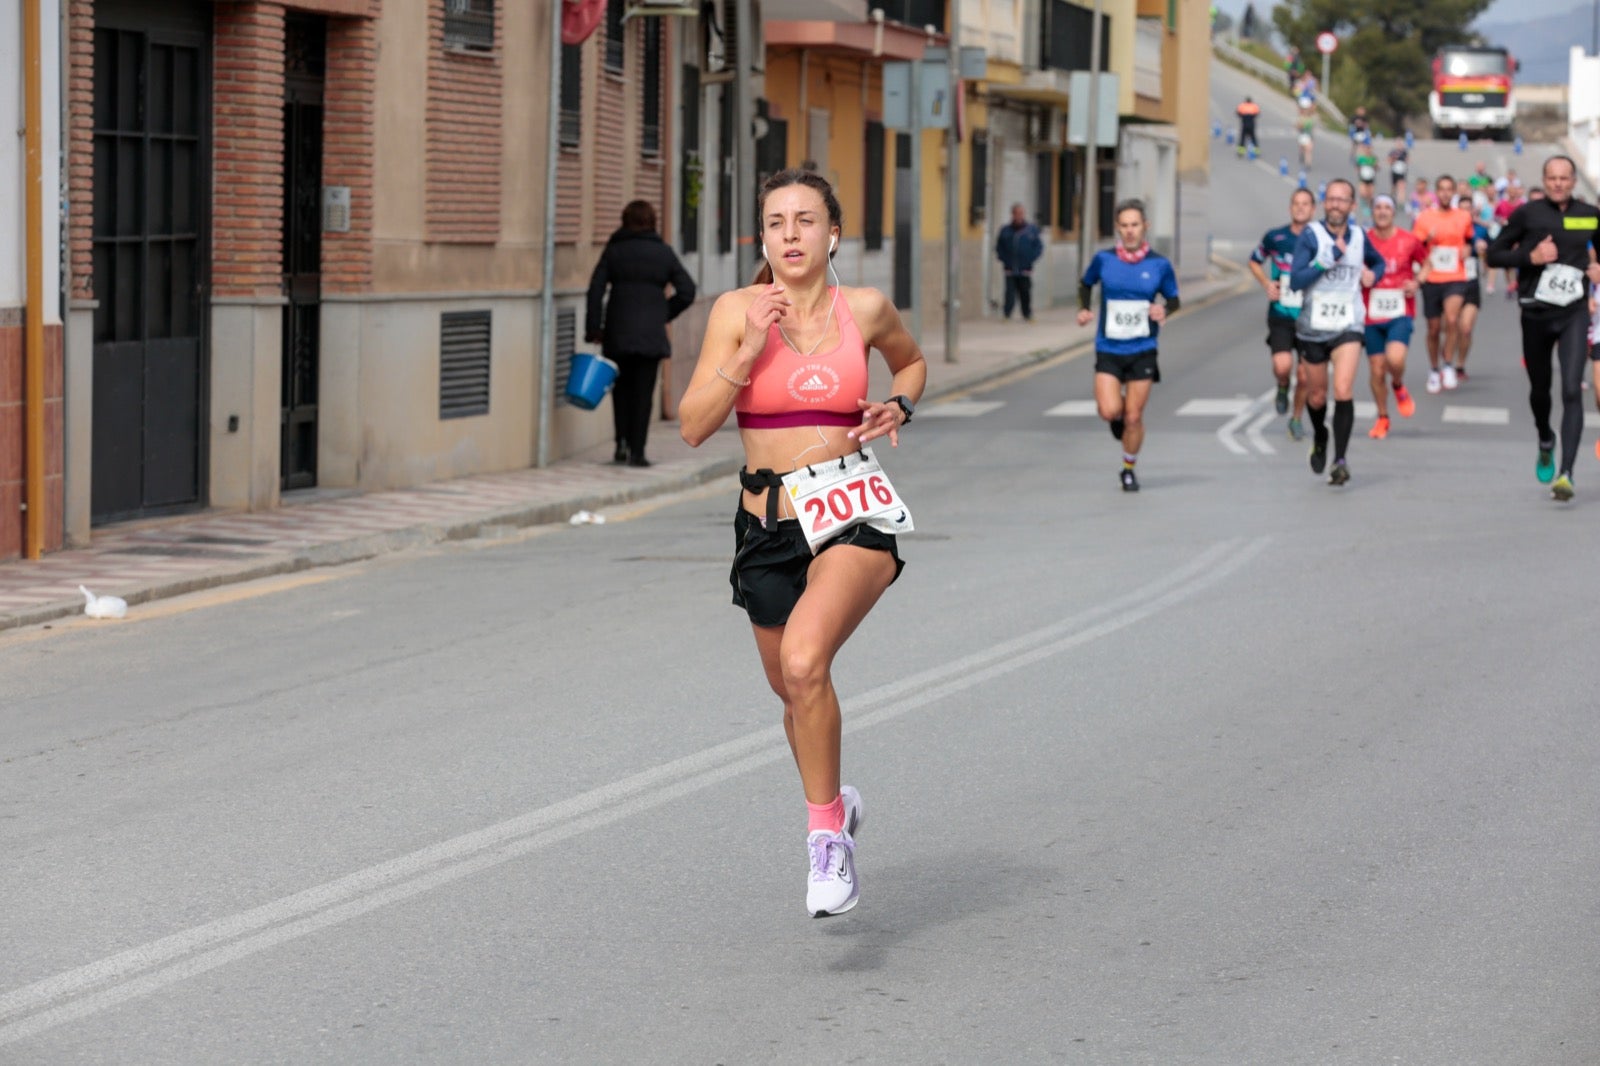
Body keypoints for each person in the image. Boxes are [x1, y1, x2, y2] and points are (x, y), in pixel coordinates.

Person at [678, 167, 926, 915]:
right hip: (766, 523)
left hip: (851, 511)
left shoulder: (866, 308)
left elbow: (911, 361)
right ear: (763, 238)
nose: (790, 234)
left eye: (805, 220)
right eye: (776, 222)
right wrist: (747, 350)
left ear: (833, 234)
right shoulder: (735, 312)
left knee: (804, 660)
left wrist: (899, 405)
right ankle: (836, 805)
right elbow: (692, 426)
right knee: (793, 691)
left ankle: (825, 841)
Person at [1486, 154, 1600, 501]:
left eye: (1564, 178)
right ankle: (1545, 438)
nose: (1558, 184)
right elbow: (1493, 254)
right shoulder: (1527, 214)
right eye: (1552, 178)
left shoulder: (1589, 215)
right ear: (1544, 179)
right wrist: (1530, 258)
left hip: (1573, 312)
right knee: (1540, 390)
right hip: (1536, 313)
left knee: (1571, 389)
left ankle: (1566, 474)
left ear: (1574, 181)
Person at [1076, 199, 1180, 492]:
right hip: (1109, 347)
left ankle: (1128, 468)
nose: (1130, 230)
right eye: (1124, 225)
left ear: (1145, 226)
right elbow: (1086, 284)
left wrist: (1163, 310)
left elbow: (1174, 299)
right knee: (1109, 411)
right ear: (1118, 228)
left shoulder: (1159, 264)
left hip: (1143, 348)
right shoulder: (1104, 260)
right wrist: (1084, 309)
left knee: (1134, 416)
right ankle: (1117, 417)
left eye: (1135, 225)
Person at [1287, 178, 1386, 485]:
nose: (1335, 205)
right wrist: (1325, 260)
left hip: (1348, 324)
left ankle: (1340, 460)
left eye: (1342, 200)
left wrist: (1373, 275)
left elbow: (1378, 262)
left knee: (1343, 390)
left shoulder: (1359, 236)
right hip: (1313, 327)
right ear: (1324, 203)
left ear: (1352, 206)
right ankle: (1320, 435)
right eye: (1331, 199)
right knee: (1317, 397)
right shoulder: (1311, 235)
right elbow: (1296, 280)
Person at [585, 200, 697, 466]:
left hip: (617, 332)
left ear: (625, 221)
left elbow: (595, 289)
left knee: (620, 390)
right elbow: (687, 290)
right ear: (652, 222)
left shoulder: (614, 250)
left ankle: (621, 444)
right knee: (643, 394)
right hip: (650, 335)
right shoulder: (663, 253)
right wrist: (663, 313)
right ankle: (638, 451)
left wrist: (594, 328)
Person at [1248, 187, 1316, 435]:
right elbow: (1254, 260)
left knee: (1305, 376)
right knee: (1282, 366)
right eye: (1296, 203)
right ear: (1290, 208)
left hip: (1310, 316)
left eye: (1305, 204)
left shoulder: (1320, 239)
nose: (1300, 208)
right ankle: (1283, 385)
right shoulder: (1275, 237)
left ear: (1313, 209)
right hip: (1281, 313)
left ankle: (1296, 419)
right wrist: (1266, 283)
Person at [1361, 194, 1428, 439]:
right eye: (1377, 207)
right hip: (1370, 314)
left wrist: (1417, 282)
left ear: (1393, 212)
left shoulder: (1408, 240)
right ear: (1372, 212)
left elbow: (1427, 263)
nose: (1382, 212)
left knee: (1395, 359)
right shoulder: (1363, 241)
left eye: (1387, 208)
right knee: (1377, 370)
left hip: (1400, 311)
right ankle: (1382, 417)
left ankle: (1398, 384)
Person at [1412, 175, 1474, 393]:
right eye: (1441, 189)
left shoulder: (1463, 216)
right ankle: (1434, 368)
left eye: (1449, 189)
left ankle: (1448, 364)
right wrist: (1426, 240)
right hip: (1432, 277)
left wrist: (1468, 249)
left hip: (1455, 276)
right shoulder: (1424, 217)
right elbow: (1415, 246)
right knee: (1434, 328)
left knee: (1452, 319)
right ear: (1436, 192)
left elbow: (1469, 240)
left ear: (1454, 192)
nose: (1445, 193)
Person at [995, 203, 1044, 321]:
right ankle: (1007, 314)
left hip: (1025, 268)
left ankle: (1027, 314)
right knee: (1009, 293)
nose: (1018, 216)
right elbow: (999, 247)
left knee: (1025, 292)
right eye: (1016, 213)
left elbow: (1038, 247)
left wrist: (1031, 258)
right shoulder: (1005, 230)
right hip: (1010, 268)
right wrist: (1003, 258)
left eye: (1021, 213)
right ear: (1012, 214)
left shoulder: (1031, 230)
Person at [1296, 104, 1316, 170]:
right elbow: (1299, 127)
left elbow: (1312, 128)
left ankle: (1308, 164)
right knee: (1303, 148)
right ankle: (1302, 155)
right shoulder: (1302, 118)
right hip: (1303, 135)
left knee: (1308, 151)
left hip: (1308, 136)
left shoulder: (1310, 119)